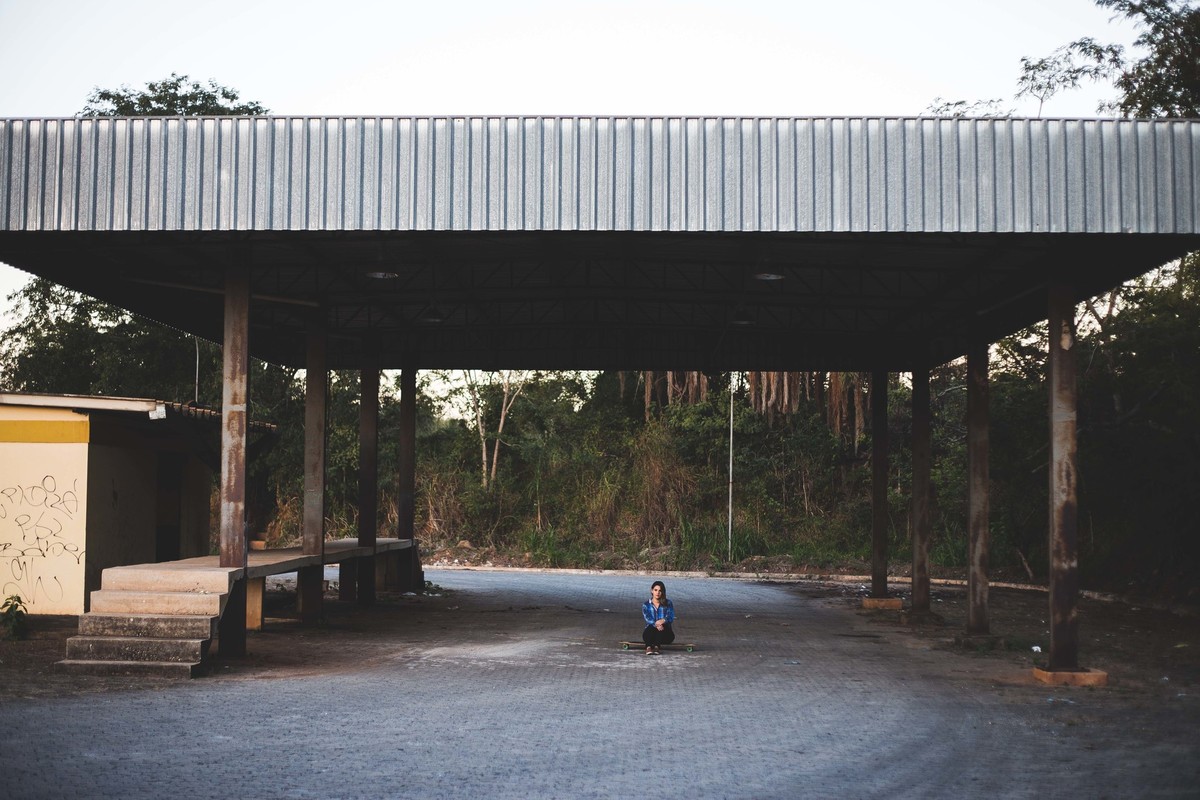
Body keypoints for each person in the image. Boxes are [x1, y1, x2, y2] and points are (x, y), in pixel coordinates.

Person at [641, 580, 676, 655]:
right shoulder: (646, 605)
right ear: (652, 590)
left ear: (663, 592)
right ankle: (648, 647)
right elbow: (648, 618)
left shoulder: (668, 603)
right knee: (651, 628)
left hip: (665, 634)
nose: (657, 593)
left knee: (662, 627)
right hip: (650, 634)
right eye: (655, 590)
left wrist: (663, 620)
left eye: (660, 590)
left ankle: (657, 647)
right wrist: (656, 624)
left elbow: (670, 616)